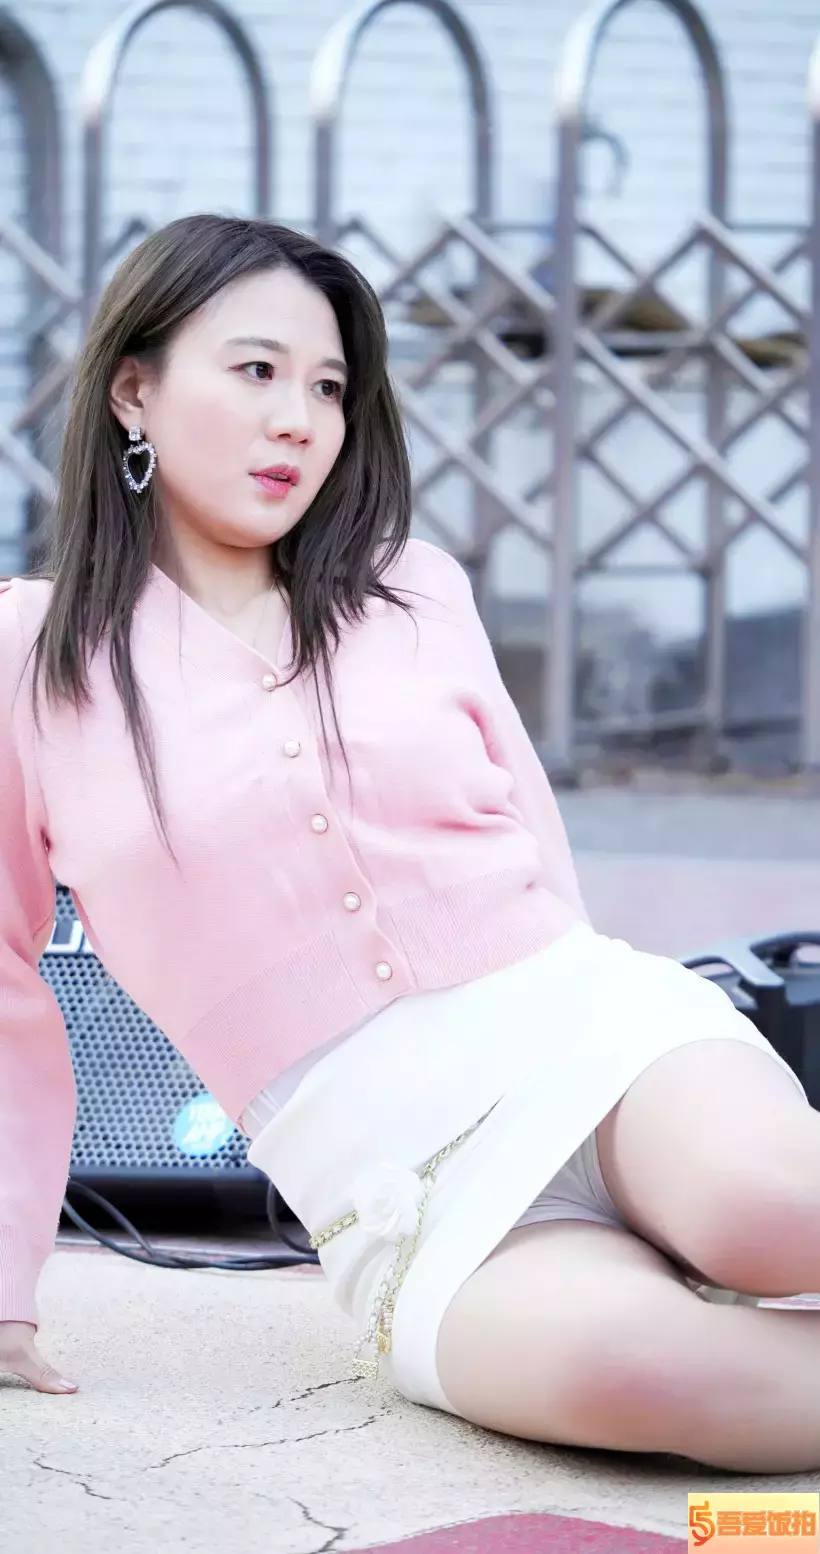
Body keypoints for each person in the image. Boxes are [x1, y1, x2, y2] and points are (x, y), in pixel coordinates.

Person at [0, 214, 818, 1473]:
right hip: (398, 1196)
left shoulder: (412, 590)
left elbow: (538, 850)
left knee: (770, 1205)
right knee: (646, 1371)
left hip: (594, 1047)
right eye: (256, 370)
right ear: (133, 390)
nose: (298, 420)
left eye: (329, 387)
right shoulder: (30, 658)